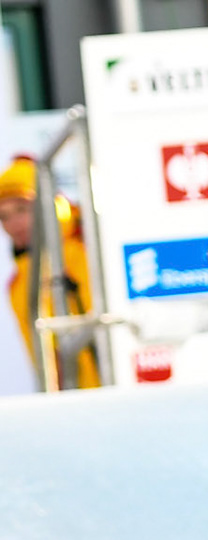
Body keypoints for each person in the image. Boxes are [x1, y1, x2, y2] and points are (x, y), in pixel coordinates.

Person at [1, 156, 100, 390]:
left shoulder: (91, 246)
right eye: (3, 217)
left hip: (118, 393)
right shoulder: (17, 283)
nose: (14, 223)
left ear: (49, 203)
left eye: (22, 209)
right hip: (75, 408)